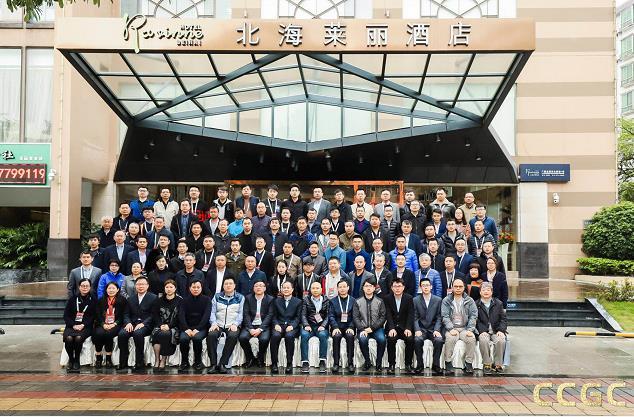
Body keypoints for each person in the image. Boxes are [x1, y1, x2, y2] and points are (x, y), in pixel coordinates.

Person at [117, 276, 157, 371]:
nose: (140, 286)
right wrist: (128, 323)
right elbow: (126, 313)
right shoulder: (131, 298)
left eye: (143, 284)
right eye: (138, 284)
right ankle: (123, 362)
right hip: (132, 323)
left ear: (147, 286)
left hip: (146, 325)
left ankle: (139, 362)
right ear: (135, 286)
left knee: (138, 334)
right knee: (122, 334)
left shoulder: (153, 297)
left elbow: (154, 315)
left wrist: (143, 323)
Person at [206, 276, 244, 374]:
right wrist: (213, 323)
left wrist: (236, 324)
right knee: (211, 335)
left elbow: (241, 313)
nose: (228, 285)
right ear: (223, 286)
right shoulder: (217, 296)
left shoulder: (240, 297)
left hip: (232, 325)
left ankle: (223, 363)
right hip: (218, 324)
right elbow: (212, 312)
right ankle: (213, 364)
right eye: (226, 284)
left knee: (233, 336)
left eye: (230, 283)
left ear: (234, 285)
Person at [441, 278, 477, 375]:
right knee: (450, 338)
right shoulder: (446, 300)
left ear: (464, 288)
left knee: (471, 339)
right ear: (452, 288)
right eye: (456, 286)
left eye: (460, 286)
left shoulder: (469, 300)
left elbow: (473, 316)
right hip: (452, 328)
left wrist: (470, 329)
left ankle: (468, 363)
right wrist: (450, 328)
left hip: (465, 328)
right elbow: (445, 316)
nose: (458, 288)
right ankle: (448, 363)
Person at [62, 278, 96, 372]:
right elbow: (66, 315)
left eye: (87, 286)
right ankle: (71, 359)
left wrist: (83, 325)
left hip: (86, 326)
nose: (85, 288)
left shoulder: (93, 300)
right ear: (79, 287)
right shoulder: (73, 299)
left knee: (78, 338)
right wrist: (73, 325)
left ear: (90, 287)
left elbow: (93, 316)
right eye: (83, 286)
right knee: (69, 338)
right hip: (72, 325)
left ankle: (77, 359)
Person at [354, 278, 387, 373]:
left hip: (377, 328)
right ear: (363, 288)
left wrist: (372, 328)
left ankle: (378, 363)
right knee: (362, 340)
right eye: (366, 286)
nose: (368, 288)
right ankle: (367, 361)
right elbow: (356, 317)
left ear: (374, 288)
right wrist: (362, 329)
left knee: (382, 339)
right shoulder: (358, 301)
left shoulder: (380, 301)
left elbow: (383, 317)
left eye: (371, 286)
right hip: (363, 328)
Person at [413, 277, 444, 375]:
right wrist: (417, 329)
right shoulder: (415, 300)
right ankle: (420, 365)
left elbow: (439, 317)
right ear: (420, 287)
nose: (425, 287)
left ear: (431, 286)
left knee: (439, 340)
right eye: (423, 285)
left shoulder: (438, 300)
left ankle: (436, 365)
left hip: (433, 328)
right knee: (417, 340)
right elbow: (414, 317)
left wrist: (437, 330)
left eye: (427, 285)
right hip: (421, 328)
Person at [240, 280, 274, 368]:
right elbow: (246, 314)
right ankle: (250, 358)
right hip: (250, 325)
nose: (258, 287)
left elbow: (270, 315)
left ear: (265, 288)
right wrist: (250, 328)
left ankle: (260, 358)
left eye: (261, 286)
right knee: (242, 338)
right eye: (256, 286)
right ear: (253, 288)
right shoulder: (248, 298)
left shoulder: (270, 299)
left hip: (263, 326)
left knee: (264, 339)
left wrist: (260, 329)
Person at [178, 279, 212, 371]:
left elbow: (206, 316)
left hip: (201, 327)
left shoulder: (207, 300)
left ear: (201, 288)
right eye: (193, 287)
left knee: (197, 338)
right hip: (187, 327)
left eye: (198, 287)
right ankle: (184, 362)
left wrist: (198, 329)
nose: (196, 289)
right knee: (183, 339)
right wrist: (186, 329)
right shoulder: (184, 300)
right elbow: (181, 316)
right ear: (190, 288)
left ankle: (198, 361)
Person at [269, 280, 302, 373]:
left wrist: (292, 326)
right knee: (275, 336)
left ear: (292, 289)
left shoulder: (298, 302)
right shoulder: (276, 301)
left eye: (288, 288)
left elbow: (298, 317)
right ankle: (274, 363)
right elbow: (273, 315)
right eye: (284, 288)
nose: (286, 289)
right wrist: (276, 324)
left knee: (289, 336)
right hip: (279, 325)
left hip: (291, 326)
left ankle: (289, 363)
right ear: (281, 289)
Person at [93, 281, 127, 369]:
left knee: (109, 334)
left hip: (116, 324)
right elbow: (97, 314)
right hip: (102, 323)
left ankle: (108, 358)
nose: (111, 290)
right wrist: (103, 324)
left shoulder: (122, 300)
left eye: (113, 288)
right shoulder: (101, 300)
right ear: (106, 289)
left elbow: (124, 315)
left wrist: (115, 323)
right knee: (99, 333)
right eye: (109, 288)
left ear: (118, 289)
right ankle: (98, 357)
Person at [385, 277, 415, 374]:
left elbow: (411, 314)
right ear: (391, 288)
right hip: (392, 327)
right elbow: (388, 314)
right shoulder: (387, 298)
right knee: (391, 339)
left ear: (403, 287)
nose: (397, 288)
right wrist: (391, 328)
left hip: (404, 327)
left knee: (410, 339)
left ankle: (408, 364)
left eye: (399, 286)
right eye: (395, 286)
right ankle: (391, 364)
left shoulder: (409, 298)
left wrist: (408, 328)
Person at [475, 282, 507, 374]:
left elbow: (503, 319)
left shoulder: (498, 303)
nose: (486, 292)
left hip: (496, 330)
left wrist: (501, 330)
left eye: (488, 290)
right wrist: (481, 331)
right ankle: (487, 363)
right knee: (483, 340)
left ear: (492, 292)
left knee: (501, 340)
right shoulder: (476, 304)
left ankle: (498, 364)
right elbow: (475, 320)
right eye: (483, 290)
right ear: (480, 292)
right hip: (483, 330)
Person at [151, 279, 182, 371]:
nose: (169, 289)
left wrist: (169, 326)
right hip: (160, 325)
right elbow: (155, 315)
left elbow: (179, 317)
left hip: (174, 326)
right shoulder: (158, 300)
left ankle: (163, 360)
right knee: (156, 334)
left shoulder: (180, 301)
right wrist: (161, 325)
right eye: (167, 287)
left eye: (171, 287)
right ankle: (157, 359)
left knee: (165, 334)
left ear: (175, 288)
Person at [300, 281, 330, 373]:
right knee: (304, 335)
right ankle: (305, 362)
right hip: (309, 326)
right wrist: (306, 325)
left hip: (321, 326)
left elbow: (328, 315)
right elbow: (303, 315)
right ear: (310, 290)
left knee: (323, 335)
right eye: (313, 288)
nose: (315, 290)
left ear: (321, 289)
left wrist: (323, 325)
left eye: (317, 288)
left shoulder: (326, 300)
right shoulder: (306, 299)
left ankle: (322, 361)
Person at [328, 279, 355, 373]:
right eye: (340, 287)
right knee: (336, 336)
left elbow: (355, 316)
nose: (342, 289)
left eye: (344, 287)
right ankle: (336, 363)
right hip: (337, 327)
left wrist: (351, 327)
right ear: (337, 289)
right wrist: (335, 327)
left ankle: (350, 363)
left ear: (348, 288)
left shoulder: (353, 300)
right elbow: (331, 316)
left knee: (350, 336)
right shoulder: (333, 301)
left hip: (348, 326)